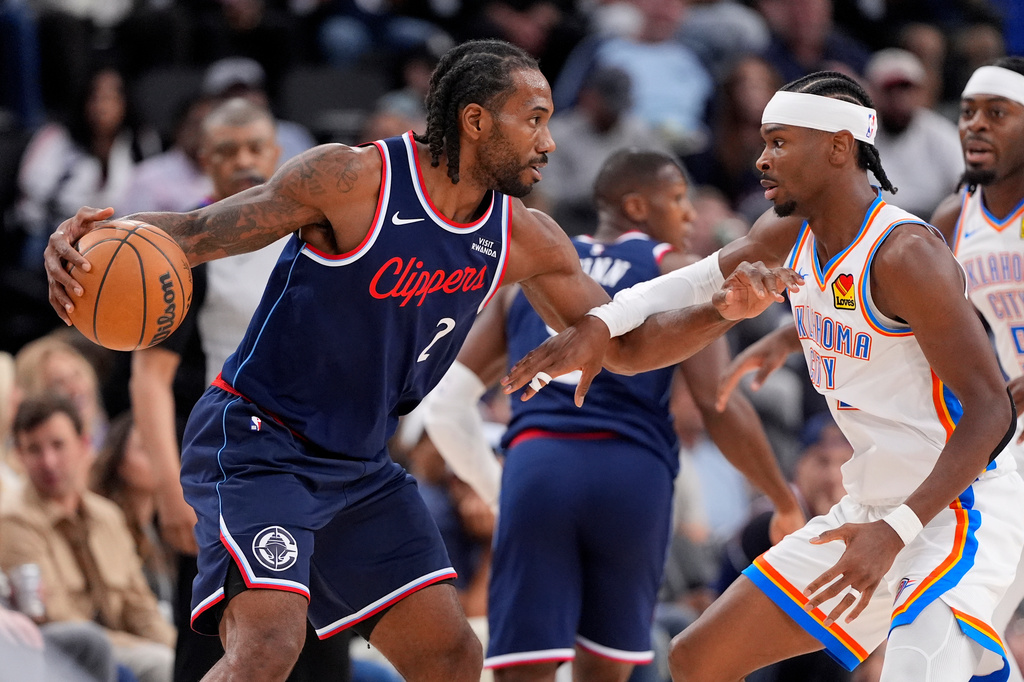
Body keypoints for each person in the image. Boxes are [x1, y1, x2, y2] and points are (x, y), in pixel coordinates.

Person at [42, 39, 791, 682]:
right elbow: (198, 231)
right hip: (260, 440)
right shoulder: (351, 180)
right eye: (534, 119)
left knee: (451, 657)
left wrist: (716, 312)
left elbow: (624, 347)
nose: (549, 142)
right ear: (475, 120)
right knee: (269, 646)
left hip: (361, 465)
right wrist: (85, 241)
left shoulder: (523, 236)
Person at [501, 70, 1024, 681]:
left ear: (837, 148)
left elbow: (993, 412)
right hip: (872, 503)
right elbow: (695, 281)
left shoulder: (906, 253)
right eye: (763, 142)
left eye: (779, 142)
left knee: (919, 669)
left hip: (956, 508)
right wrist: (602, 321)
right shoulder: (789, 232)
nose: (761, 159)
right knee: (699, 658)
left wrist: (894, 532)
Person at [423, 148, 803, 682]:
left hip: (539, 466)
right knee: (604, 672)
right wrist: (784, 500)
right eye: (677, 200)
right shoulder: (673, 270)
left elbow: (444, 405)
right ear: (637, 207)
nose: (690, 214)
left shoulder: (536, 269)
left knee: (522, 670)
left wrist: (497, 490)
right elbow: (720, 403)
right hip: (633, 474)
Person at [929, 56, 1024, 682]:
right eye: (967, 113)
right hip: (1010, 438)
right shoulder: (950, 220)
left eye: (997, 113)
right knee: (971, 615)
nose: (975, 126)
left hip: (1010, 416)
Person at [0, 394, 176, 682]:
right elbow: (54, 618)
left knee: (187, 659)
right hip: (64, 649)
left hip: (124, 646)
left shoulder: (106, 515)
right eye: (34, 450)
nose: (48, 461)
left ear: (84, 444)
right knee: (160, 664)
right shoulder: (13, 519)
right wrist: (154, 650)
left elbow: (140, 606)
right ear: (19, 455)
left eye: (58, 445)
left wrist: (174, 646)